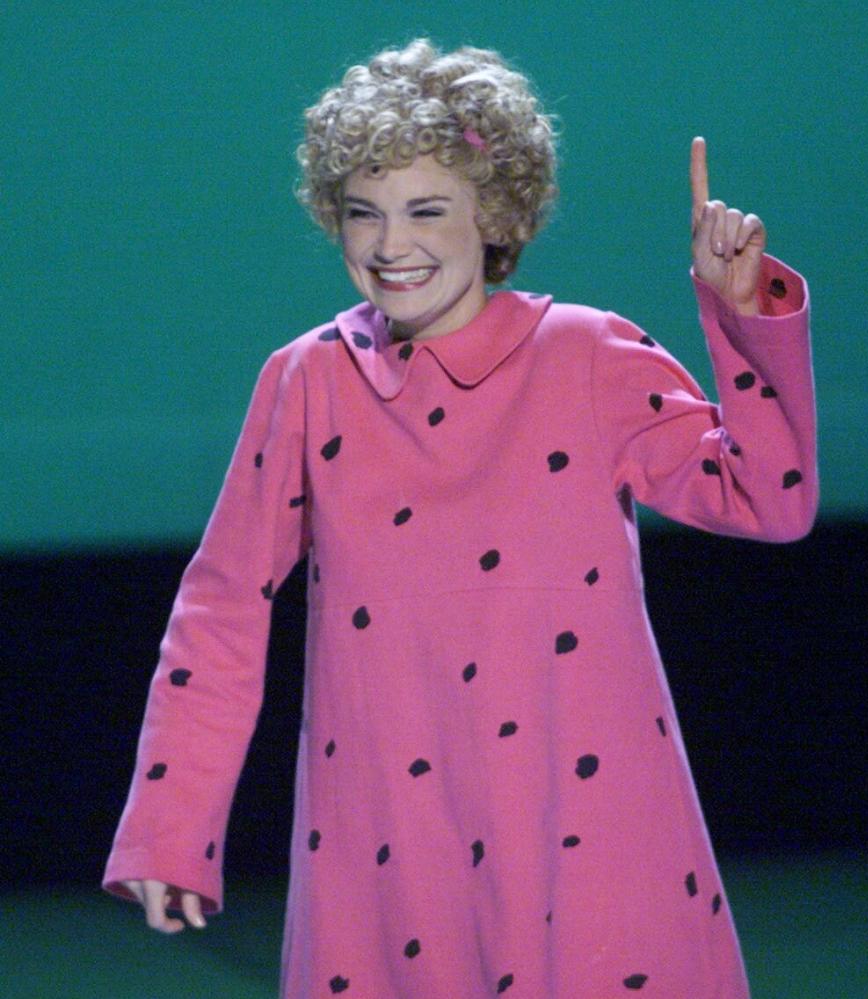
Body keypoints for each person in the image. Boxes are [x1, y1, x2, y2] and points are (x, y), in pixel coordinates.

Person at [103, 38, 816, 998]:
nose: (392, 244)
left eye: (427, 209)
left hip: (588, 823)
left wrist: (739, 318)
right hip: (392, 840)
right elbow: (222, 608)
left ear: (495, 215)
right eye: (365, 213)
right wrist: (171, 824)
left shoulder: (587, 353)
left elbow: (768, 500)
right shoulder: (308, 379)